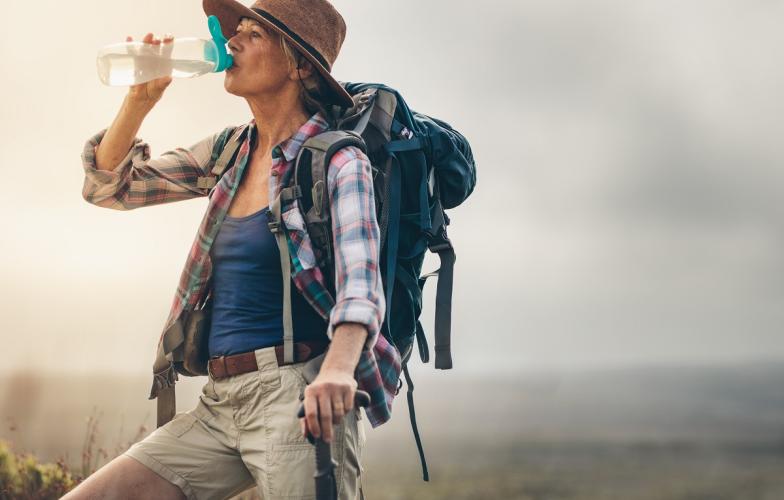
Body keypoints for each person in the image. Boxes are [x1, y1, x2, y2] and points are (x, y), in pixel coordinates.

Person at [65, 0, 402, 498]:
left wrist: (336, 372)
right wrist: (140, 100)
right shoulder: (231, 152)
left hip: (297, 397)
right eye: (235, 30)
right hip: (219, 403)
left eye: (254, 34)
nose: (232, 42)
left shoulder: (338, 159)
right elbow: (111, 188)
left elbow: (361, 282)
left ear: (299, 64)